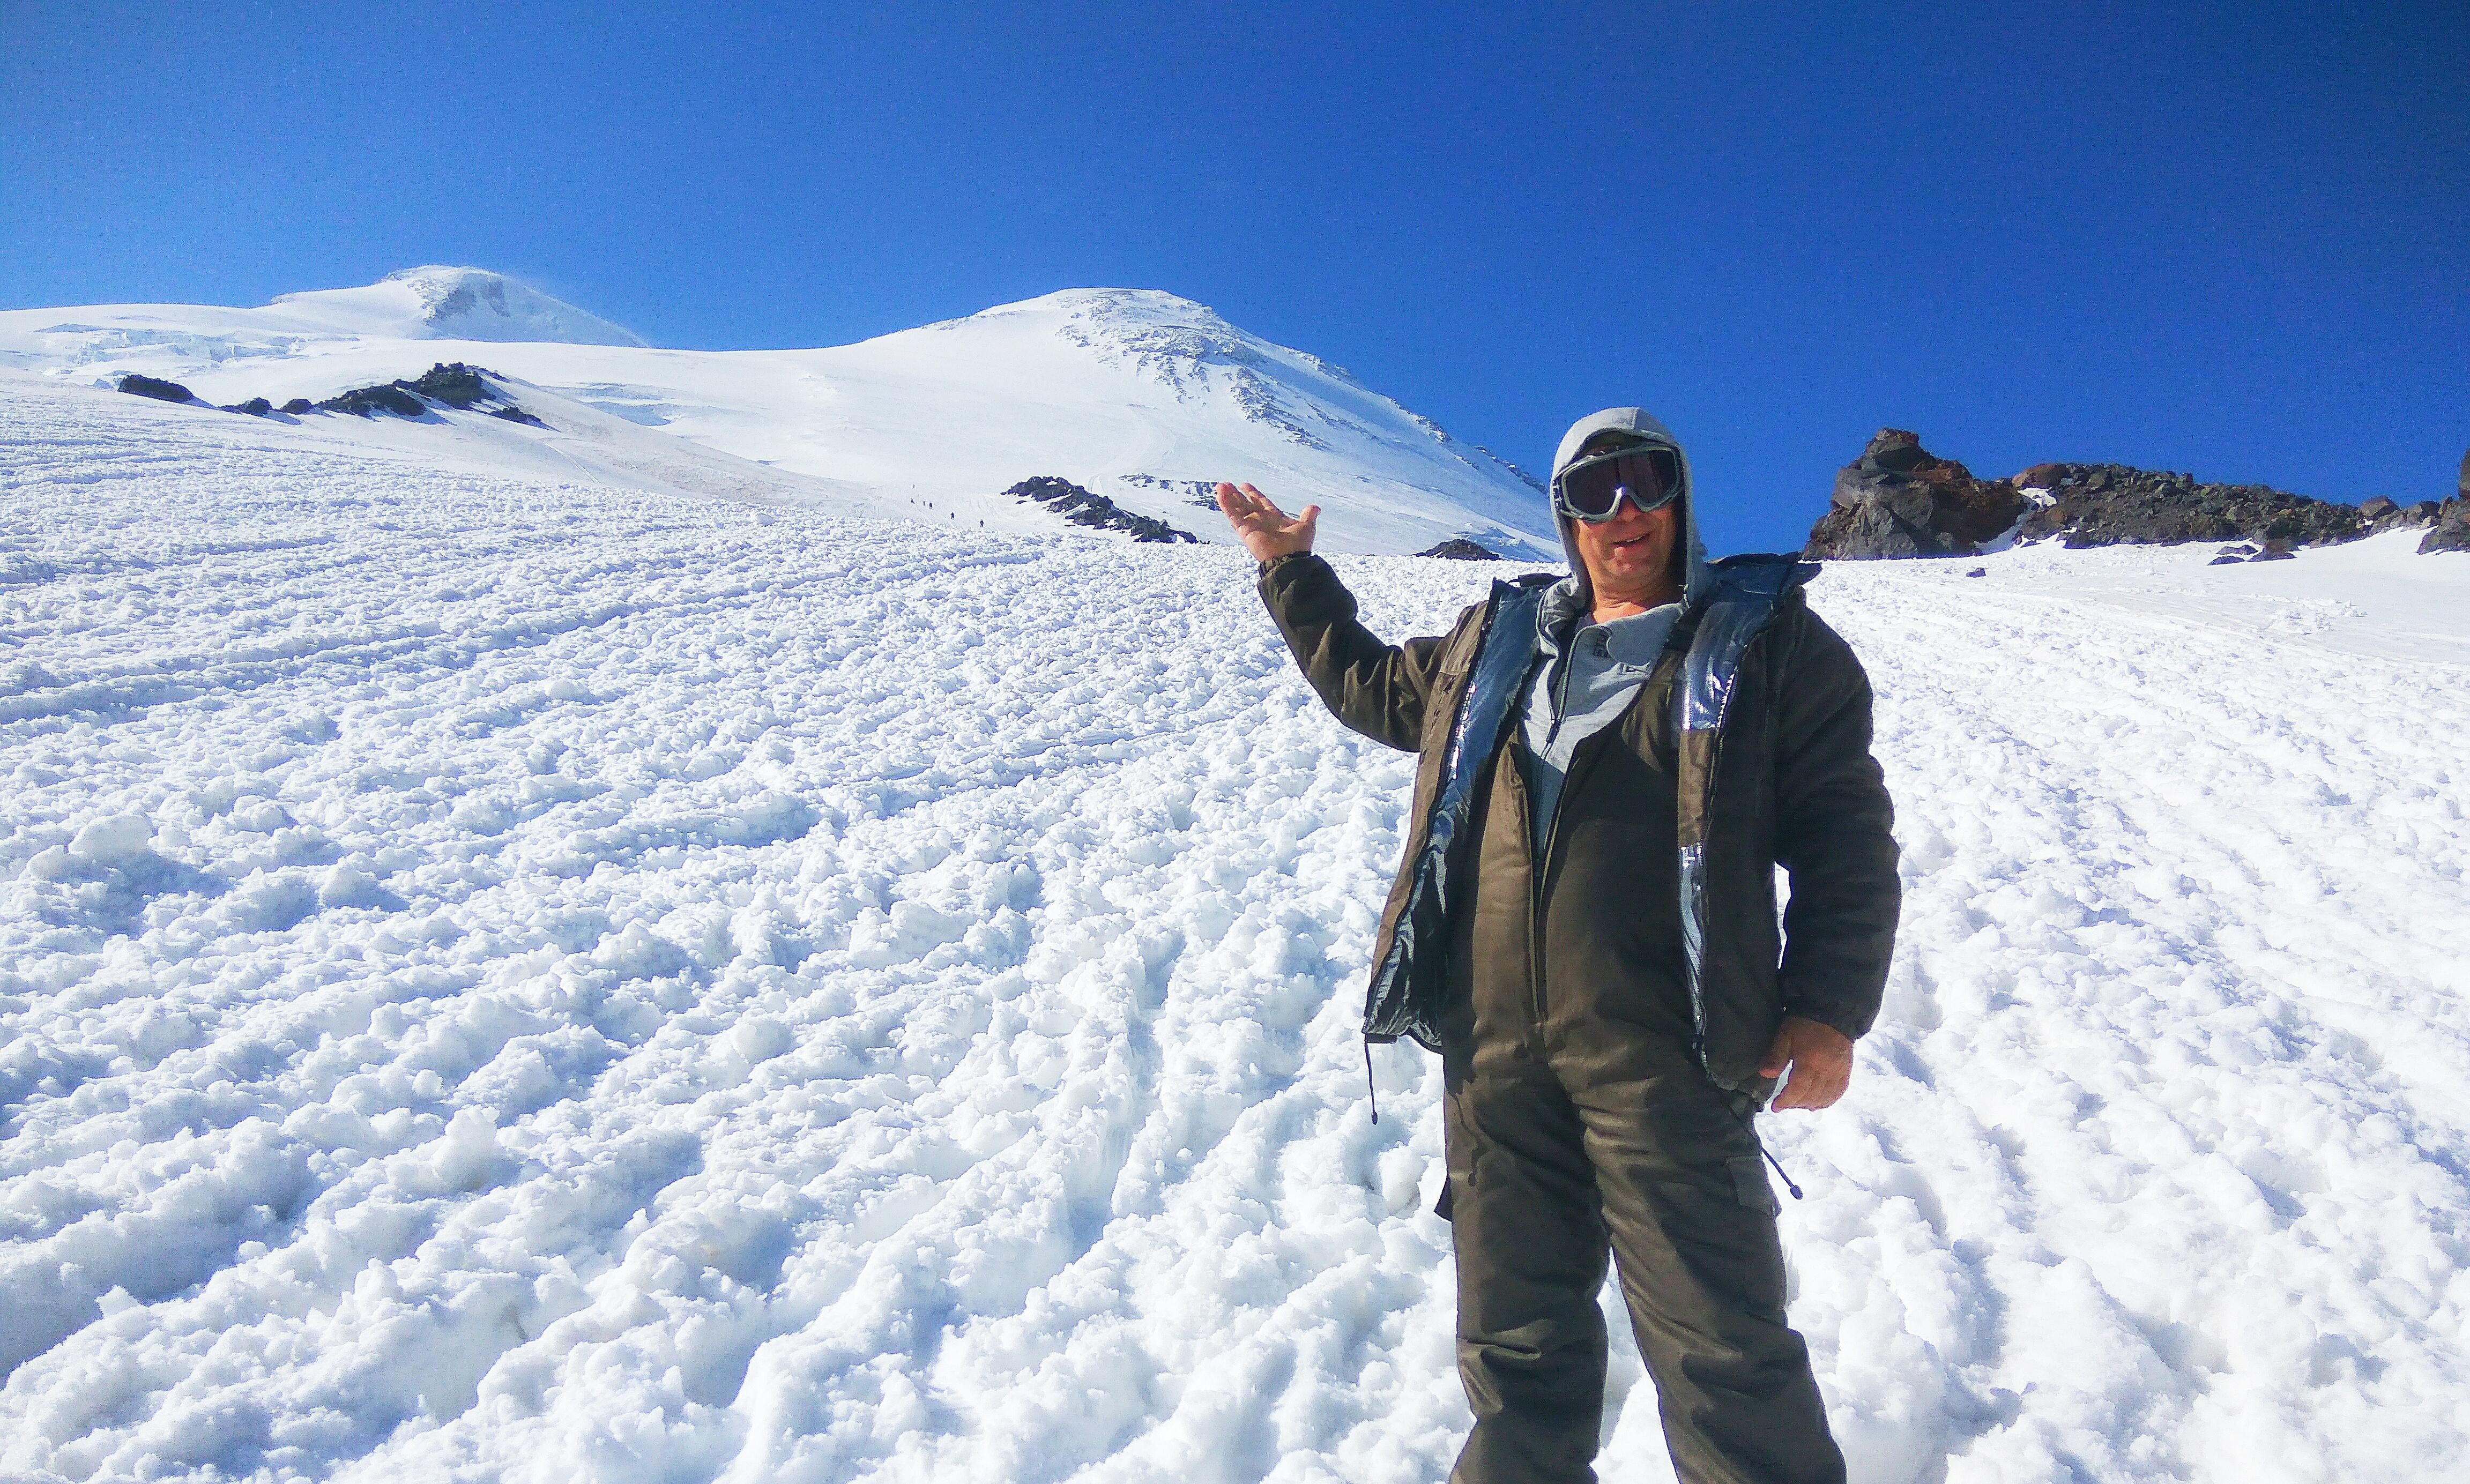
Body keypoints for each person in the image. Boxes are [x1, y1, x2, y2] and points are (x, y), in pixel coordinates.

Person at [1216, 408, 1899, 1484]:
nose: (1623, 510)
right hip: (1493, 1054)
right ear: (1563, 514)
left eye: (1646, 481)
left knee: (1723, 1350)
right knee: (1514, 1350)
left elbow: (1846, 833)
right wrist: (1290, 570)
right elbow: (1370, 686)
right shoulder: (1496, 643)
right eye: (1593, 489)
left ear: (1681, 494)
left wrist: (1828, 1006)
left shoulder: (1768, 647)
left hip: (1667, 1055)